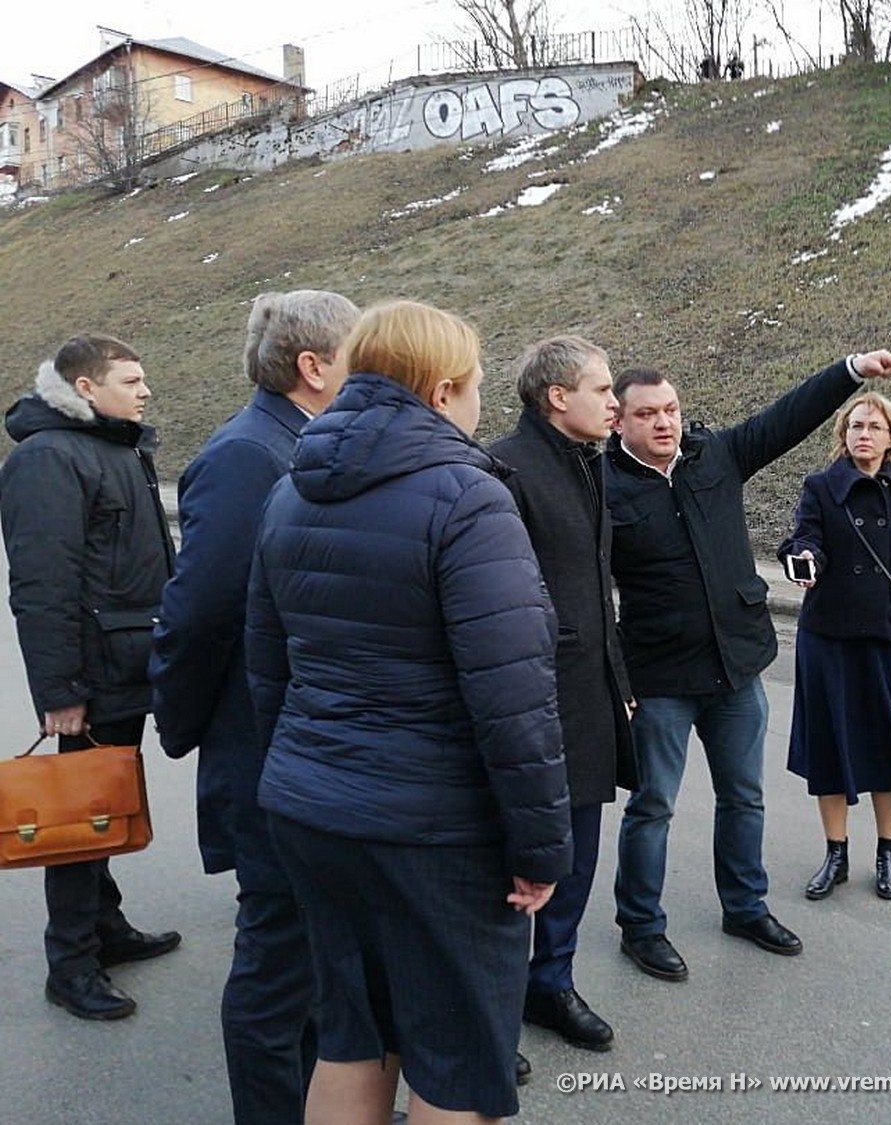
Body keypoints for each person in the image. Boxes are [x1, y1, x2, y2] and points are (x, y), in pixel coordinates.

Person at [245, 300, 572, 1125]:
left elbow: (266, 668)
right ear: (441, 389)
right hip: (436, 832)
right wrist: (539, 848)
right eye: (474, 388)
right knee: (456, 1062)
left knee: (352, 1038)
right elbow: (513, 696)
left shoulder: (291, 488)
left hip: (313, 812)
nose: (477, 407)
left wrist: (306, 777)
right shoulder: (466, 497)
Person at [606, 348, 891, 982]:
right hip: (659, 676)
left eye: (671, 409)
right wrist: (617, 678)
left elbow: (788, 416)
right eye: (647, 413)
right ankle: (640, 926)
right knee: (653, 805)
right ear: (618, 421)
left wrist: (851, 370)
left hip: (736, 668)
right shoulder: (601, 487)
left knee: (744, 797)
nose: (664, 422)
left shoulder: (716, 456)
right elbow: (583, 587)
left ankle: (744, 907)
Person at [149, 290, 358, 1123]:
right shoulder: (248, 454)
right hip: (266, 748)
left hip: (298, 747)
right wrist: (185, 721)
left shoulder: (294, 441)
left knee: (309, 954)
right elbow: (198, 612)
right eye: (358, 356)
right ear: (312, 368)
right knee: (276, 967)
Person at [0, 334, 180, 1021]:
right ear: (84, 386)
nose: (144, 390)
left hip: (131, 655)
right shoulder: (47, 459)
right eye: (131, 379)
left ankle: (106, 926)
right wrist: (60, 692)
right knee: (78, 812)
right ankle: (70, 962)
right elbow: (42, 588)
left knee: (105, 797)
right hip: (93, 671)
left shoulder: (119, 447)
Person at [488, 336, 634, 1054]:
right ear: (557, 397)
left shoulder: (589, 465)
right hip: (528, 702)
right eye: (603, 389)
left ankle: (551, 980)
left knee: (575, 853)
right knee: (515, 865)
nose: (616, 402)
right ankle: (493, 1000)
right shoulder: (503, 470)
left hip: (588, 696)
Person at [777, 392, 891, 902]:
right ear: (843, 435)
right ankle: (835, 853)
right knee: (831, 745)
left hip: (888, 639)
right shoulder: (821, 488)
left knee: (886, 747)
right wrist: (803, 559)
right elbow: (806, 541)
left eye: (874, 426)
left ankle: (887, 853)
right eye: (855, 426)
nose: (863, 435)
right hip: (828, 637)